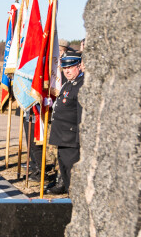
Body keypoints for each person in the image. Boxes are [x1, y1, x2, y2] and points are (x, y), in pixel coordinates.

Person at [47, 51, 84, 195]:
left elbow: (81, 117)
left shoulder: (81, 86)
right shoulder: (68, 85)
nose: (67, 71)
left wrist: (79, 141)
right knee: (66, 173)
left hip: (72, 141)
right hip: (62, 139)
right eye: (65, 68)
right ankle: (71, 200)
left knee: (73, 176)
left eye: (71, 67)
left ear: (79, 66)